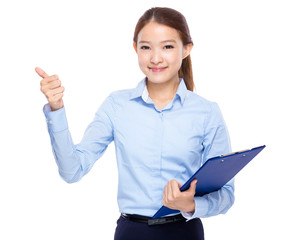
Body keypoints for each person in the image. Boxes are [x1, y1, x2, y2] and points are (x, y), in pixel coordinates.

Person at [36, 7, 234, 240]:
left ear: (186, 50)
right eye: (146, 47)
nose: (155, 58)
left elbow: (226, 195)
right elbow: (72, 171)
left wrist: (190, 204)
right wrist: (57, 109)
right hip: (132, 233)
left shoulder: (207, 112)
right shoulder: (117, 105)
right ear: (135, 49)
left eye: (167, 46)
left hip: (184, 231)